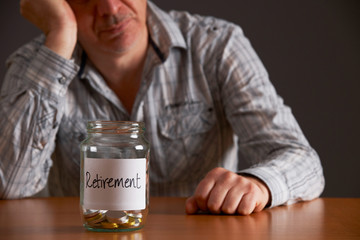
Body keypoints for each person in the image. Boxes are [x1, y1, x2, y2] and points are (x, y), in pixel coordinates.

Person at [0, 0, 324, 215]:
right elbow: (10, 186)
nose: (110, 8)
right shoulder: (36, 67)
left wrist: (259, 184)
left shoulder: (217, 45)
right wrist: (60, 35)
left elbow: (303, 160)